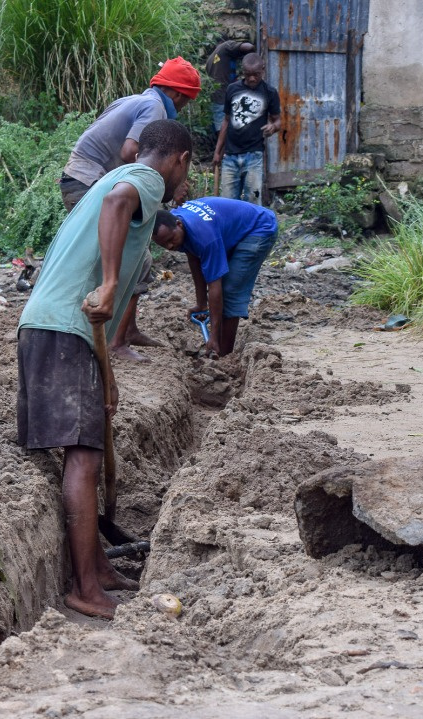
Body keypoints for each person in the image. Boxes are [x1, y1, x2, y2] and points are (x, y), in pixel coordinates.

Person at [18, 120, 193, 620]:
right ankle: (84, 589)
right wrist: (114, 281)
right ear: (178, 158)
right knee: (84, 457)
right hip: (64, 328)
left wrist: (107, 379)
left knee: (84, 447)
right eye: (188, 170)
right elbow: (120, 203)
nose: (184, 182)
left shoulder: (109, 178)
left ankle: (100, 567)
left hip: (50, 327)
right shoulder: (144, 180)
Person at [60, 57, 202, 362]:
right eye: (187, 103)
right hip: (89, 180)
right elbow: (130, 153)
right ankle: (114, 341)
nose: (184, 108)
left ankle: (126, 331)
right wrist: (159, 188)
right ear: (178, 94)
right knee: (134, 257)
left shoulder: (135, 99)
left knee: (136, 258)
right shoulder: (155, 108)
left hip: (82, 177)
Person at [151, 197, 278, 357]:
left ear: (179, 225)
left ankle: (224, 355)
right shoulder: (177, 221)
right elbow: (194, 258)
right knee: (222, 287)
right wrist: (201, 304)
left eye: (171, 240)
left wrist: (213, 336)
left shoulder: (204, 237)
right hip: (230, 227)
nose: (170, 247)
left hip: (259, 228)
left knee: (229, 290)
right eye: (164, 245)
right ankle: (221, 345)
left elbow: (214, 285)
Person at [214, 53, 281, 205]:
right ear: (242, 71)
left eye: (256, 75)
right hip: (230, 156)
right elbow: (226, 121)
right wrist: (218, 151)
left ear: (262, 70)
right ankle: (232, 229)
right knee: (227, 204)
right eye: (248, 74)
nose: (252, 79)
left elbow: (278, 121)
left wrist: (273, 127)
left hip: (254, 155)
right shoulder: (232, 89)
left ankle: (251, 229)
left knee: (252, 200)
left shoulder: (269, 92)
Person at [204, 38, 255, 135]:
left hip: (215, 98)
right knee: (226, 129)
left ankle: (221, 148)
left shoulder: (210, 59)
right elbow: (249, 47)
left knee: (220, 127)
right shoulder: (226, 46)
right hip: (225, 96)